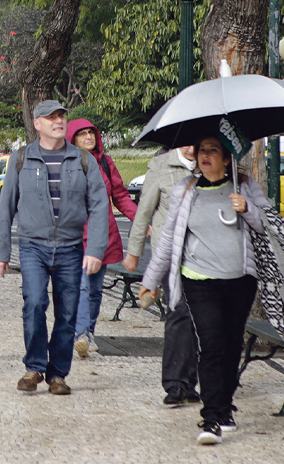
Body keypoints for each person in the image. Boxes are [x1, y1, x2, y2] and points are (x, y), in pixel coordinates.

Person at [139, 136, 270, 445]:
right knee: (210, 344)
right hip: (198, 279)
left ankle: (225, 409)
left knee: (231, 344)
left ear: (227, 158)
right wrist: (151, 279)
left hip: (240, 279)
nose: (205, 156)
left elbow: (267, 224)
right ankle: (210, 418)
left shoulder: (245, 184)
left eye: (213, 150)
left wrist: (248, 208)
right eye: (201, 150)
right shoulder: (186, 189)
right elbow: (169, 237)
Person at [0, 100, 109, 396]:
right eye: (51, 117)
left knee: (67, 313)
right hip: (33, 247)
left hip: (70, 248)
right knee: (34, 304)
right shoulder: (21, 159)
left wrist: (95, 249)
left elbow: (99, 205)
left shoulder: (83, 159)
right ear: (37, 123)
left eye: (61, 116)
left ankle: (57, 374)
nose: (58, 121)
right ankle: (34, 367)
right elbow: (5, 207)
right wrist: (0, 251)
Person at [123, 145, 201, 406]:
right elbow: (144, 210)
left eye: (197, 142)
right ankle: (175, 383)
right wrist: (134, 252)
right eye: (186, 143)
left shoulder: (211, 162)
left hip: (204, 255)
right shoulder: (161, 164)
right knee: (179, 312)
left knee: (197, 318)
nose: (192, 149)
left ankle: (191, 380)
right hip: (169, 253)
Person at [66, 119, 138, 357]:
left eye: (91, 133)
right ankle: (81, 333)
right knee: (82, 287)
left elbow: (120, 196)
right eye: (82, 134)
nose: (89, 137)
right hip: (76, 237)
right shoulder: (66, 163)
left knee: (96, 290)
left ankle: (89, 333)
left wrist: (141, 219)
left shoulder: (105, 163)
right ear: (72, 139)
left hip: (103, 234)